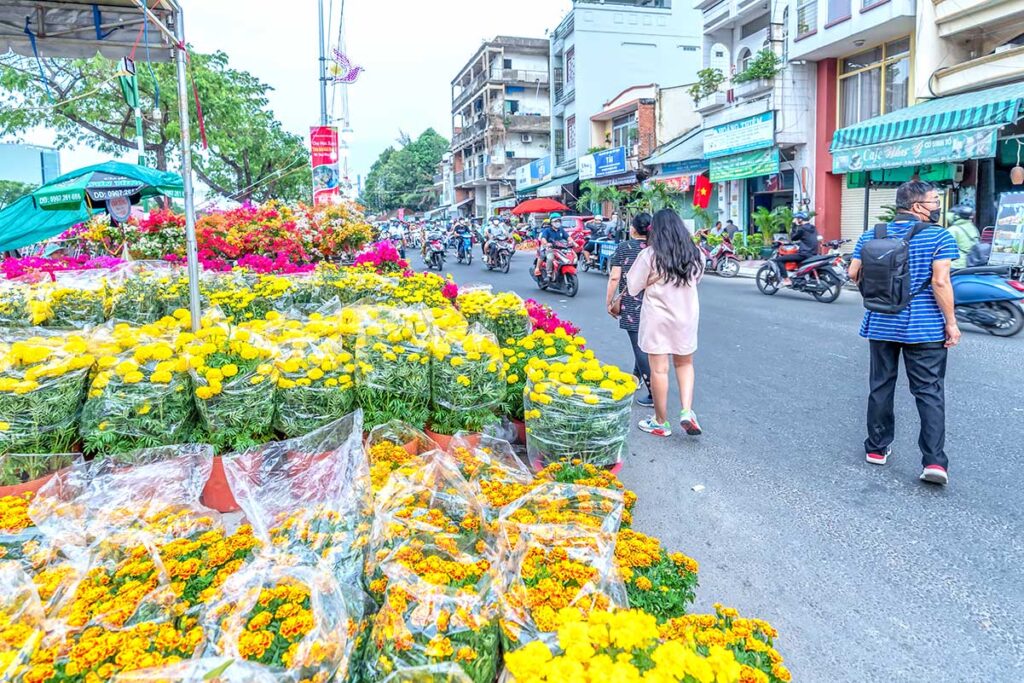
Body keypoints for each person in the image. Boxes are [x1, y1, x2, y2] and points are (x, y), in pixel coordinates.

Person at [847, 180, 960, 486]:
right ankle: (934, 461)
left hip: (881, 323)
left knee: (881, 386)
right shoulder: (939, 236)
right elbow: (940, 282)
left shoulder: (872, 235)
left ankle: (876, 448)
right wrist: (951, 322)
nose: (938, 206)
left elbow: (852, 273)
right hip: (924, 328)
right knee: (929, 391)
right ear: (916, 206)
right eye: (934, 201)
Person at [626, 209, 704, 437]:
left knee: (659, 370)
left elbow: (633, 288)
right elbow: (697, 278)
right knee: (685, 364)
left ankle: (660, 422)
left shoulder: (649, 255)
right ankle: (687, 411)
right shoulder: (695, 253)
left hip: (657, 317)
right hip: (686, 317)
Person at [607, 213, 654, 407]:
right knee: (643, 343)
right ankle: (637, 376)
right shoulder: (656, 248)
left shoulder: (624, 247)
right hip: (655, 301)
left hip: (632, 301)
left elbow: (615, 278)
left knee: (639, 345)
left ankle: (653, 391)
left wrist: (609, 301)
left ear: (633, 228)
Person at [774, 211, 819, 286]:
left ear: (800, 219)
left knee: (779, 260)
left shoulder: (802, 229)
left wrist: (794, 225)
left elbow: (793, 237)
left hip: (804, 254)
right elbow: (807, 239)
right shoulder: (813, 228)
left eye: (796, 218)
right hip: (813, 253)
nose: (795, 220)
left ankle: (786, 280)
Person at [946, 204, 980, 268]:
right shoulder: (972, 227)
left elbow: (945, 250)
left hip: (957, 265)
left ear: (955, 216)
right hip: (972, 262)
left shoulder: (953, 230)